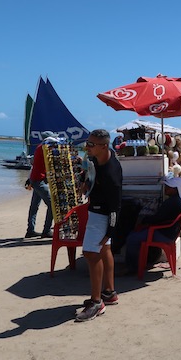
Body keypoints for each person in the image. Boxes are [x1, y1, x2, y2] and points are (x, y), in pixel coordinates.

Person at [76, 129, 122, 322]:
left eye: (92, 145)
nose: (88, 147)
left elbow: (115, 207)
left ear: (104, 146)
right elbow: (89, 172)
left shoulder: (112, 173)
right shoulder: (95, 158)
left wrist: (109, 231)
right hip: (96, 209)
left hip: (102, 215)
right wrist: (85, 183)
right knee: (104, 250)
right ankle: (109, 293)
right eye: (88, 143)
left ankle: (97, 302)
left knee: (90, 253)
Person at [118, 175, 181, 277]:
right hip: (170, 233)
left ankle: (131, 267)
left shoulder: (171, 202)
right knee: (138, 233)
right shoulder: (177, 201)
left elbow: (157, 219)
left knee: (132, 238)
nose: (166, 188)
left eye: (168, 187)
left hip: (164, 234)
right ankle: (139, 263)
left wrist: (144, 220)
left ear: (175, 189)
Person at [24, 132, 57, 238]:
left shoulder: (40, 147)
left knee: (34, 206)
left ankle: (30, 230)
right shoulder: (44, 147)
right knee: (52, 205)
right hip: (39, 180)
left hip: (35, 179)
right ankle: (46, 230)